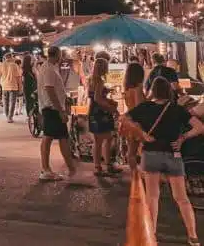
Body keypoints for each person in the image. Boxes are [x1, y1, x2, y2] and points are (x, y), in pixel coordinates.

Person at [126, 77, 204, 245]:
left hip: (151, 155)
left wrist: (141, 134)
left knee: (152, 197)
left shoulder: (144, 108)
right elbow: (200, 127)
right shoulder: (176, 109)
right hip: (172, 154)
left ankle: (152, 235)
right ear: (169, 91)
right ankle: (192, 236)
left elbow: (124, 119)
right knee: (181, 198)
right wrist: (183, 137)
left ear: (153, 91)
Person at [37, 46, 76, 182]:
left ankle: (68, 169)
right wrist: (60, 110)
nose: (62, 58)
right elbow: (49, 89)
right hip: (52, 109)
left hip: (52, 108)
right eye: (61, 55)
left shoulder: (50, 67)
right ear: (57, 55)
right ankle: (47, 169)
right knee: (54, 137)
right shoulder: (48, 69)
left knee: (57, 137)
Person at [87, 55, 119, 177]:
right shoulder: (99, 81)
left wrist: (106, 95)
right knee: (105, 138)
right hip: (100, 112)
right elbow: (98, 99)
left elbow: (94, 96)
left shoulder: (91, 79)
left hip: (93, 111)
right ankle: (103, 166)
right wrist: (111, 107)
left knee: (100, 140)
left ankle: (101, 166)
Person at [123, 62, 146, 172]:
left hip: (130, 121)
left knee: (131, 151)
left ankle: (135, 174)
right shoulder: (138, 88)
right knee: (137, 151)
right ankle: (137, 175)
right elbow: (139, 107)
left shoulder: (127, 88)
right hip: (137, 123)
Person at [0, 54, 21, 123]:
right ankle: (10, 117)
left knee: (5, 102)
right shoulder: (15, 65)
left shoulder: (1, 65)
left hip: (4, 86)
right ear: (10, 57)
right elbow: (18, 77)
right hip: (13, 86)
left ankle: (7, 116)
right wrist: (20, 87)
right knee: (12, 102)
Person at [22, 54, 38, 119]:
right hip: (30, 87)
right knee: (31, 101)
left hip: (28, 86)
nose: (33, 60)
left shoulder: (26, 69)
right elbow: (37, 78)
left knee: (30, 101)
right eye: (32, 59)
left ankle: (30, 115)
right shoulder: (31, 69)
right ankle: (31, 116)